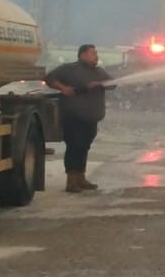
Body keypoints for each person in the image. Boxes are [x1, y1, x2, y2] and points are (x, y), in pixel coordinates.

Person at [44, 44, 113, 193]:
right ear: (82, 55)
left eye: (96, 53)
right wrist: (63, 88)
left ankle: (81, 177)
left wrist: (101, 84)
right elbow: (49, 78)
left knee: (84, 146)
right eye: (93, 53)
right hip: (73, 117)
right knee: (74, 146)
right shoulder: (69, 69)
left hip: (91, 118)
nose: (96, 56)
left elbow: (112, 84)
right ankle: (71, 180)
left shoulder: (99, 72)